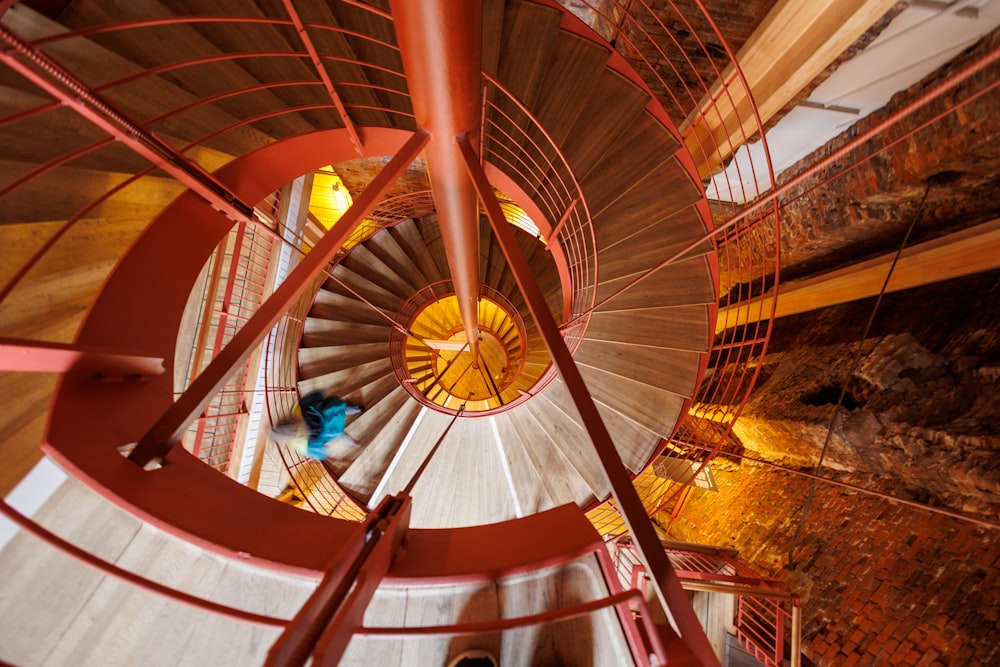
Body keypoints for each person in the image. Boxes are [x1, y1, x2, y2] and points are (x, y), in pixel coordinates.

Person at [270, 391, 363, 459]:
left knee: (341, 435)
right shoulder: (297, 409)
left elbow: (322, 453)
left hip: (333, 430)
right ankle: (356, 409)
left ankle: (354, 443)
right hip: (331, 410)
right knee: (343, 408)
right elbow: (316, 395)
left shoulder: (303, 446)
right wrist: (319, 396)